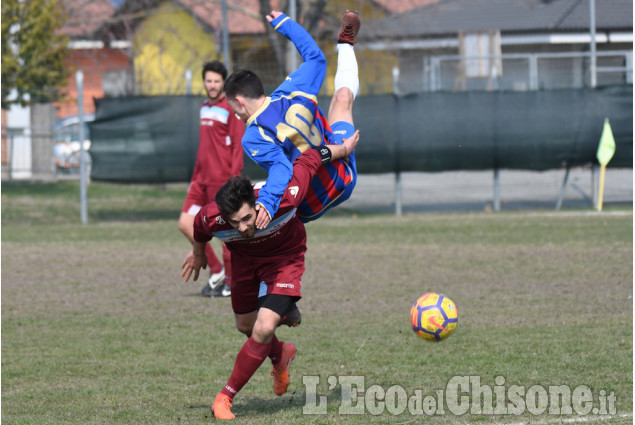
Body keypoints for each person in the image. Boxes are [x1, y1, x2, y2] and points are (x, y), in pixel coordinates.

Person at [180, 132, 359, 420]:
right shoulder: (212, 217)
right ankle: (281, 354)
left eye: (247, 218)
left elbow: (310, 159)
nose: (242, 227)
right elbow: (199, 229)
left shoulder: (285, 197)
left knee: (263, 328)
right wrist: (199, 254)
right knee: (245, 326)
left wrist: (344, 149)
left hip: (284, 260)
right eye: (234, 222)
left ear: (255, 202)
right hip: (245, 263)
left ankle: (224, 397)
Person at [223, 9, 361, 230]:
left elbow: (281, 168)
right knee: (343, 97)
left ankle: (345, 43)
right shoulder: (293, 88)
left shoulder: (253, 136)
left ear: (239, 101)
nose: (235, 114)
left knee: (343, 97)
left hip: (322, 194)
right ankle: (344, 46)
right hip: (338, 179)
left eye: (232, 107)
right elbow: (314, 57)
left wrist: (267, 203)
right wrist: (287, 25)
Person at [178, 61, 245, 298]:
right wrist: (195, 176)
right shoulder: (204, 108)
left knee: (226, 234)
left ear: (223, 83)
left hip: (222, 181)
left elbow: (238, 146)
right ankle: (215, 270)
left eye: (217, 81)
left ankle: (230, 282)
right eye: (209, 81)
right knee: (186, 223)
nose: (212, 85)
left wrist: (235, 180)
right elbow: (204, 148)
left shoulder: (231, 109)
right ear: (204, 82)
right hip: (201, 180)